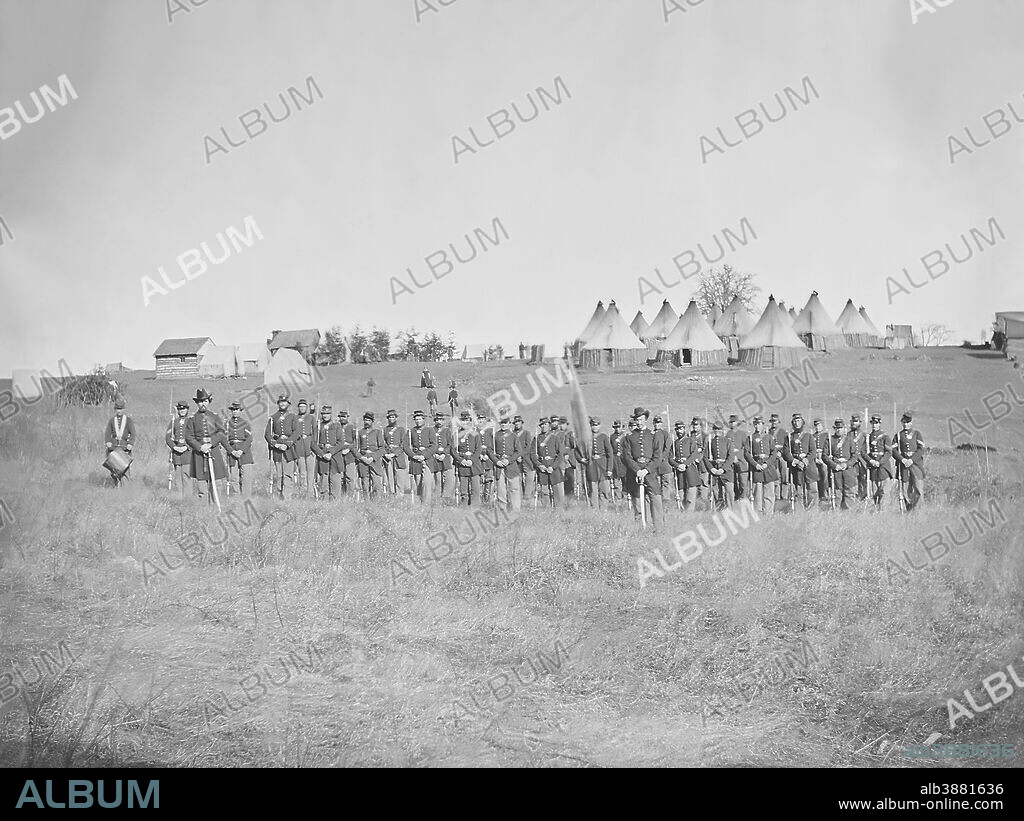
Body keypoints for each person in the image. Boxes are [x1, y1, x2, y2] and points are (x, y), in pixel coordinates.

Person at [622, 407, 663, 530]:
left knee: (656, 499)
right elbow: (627, 457)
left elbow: (657, 457)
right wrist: (637, 470)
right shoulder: (629, 437)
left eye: (641, 419)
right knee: (637, 501)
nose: (639, 422)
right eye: (637, 420)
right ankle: (640, 528)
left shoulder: (653, 435)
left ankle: (659, 529)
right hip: (635, 473)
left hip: (649, 472)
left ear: (645, 419)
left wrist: (646, 470)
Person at [185, 388, 227, 501]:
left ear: (209, 402)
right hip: (199, 455)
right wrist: (200, 447)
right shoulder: (192, 419)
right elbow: (188, 436)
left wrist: (211, 443)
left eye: (205, 401)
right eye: (200, 401)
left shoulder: (215, 416)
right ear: (197, 403)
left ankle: (216, 506)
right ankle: (204, 511)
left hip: (214, 452)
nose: (202, 404)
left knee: (217, 483)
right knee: (202, 485)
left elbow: (221, 432)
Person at [265, 394, 298, 500]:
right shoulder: (273, 418)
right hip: (277, 450)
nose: (283, 404)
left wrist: (287, 444)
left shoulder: (292, 416)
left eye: (285, 402)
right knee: (279, 475)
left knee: (288, 475)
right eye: (281, 402)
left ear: (288, 404)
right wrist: (276, 444)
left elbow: (296, 432)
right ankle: (279, 495)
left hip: (289, 449)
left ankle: (287, 497)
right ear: (278, 404)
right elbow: (267, 434)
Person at [578, 417, 613, 508]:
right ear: (590, 426)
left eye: (597, 425)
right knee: (593, 490)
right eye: (593, 425)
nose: (595, 427)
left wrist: (609, 469)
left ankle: (604, 510)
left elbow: (610, 453)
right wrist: (581, 459)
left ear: (600, 426)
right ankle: (594, 510)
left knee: (604, 489)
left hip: (603, 466)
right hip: (591, 466)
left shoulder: (603, 437)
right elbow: (577, 450)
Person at [825, 418, 860, 511]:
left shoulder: (850, 440)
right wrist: (834, 465)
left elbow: (855, 455)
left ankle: (849, 512)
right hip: (836, 470)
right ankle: (836, 512)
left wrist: (847, 464)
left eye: (840, 428)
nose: (838, 430)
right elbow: (825, 456)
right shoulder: (830, 440)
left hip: (848, 471)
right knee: (837, 492)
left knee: (850, 492)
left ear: (844, 428)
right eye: (837, 428)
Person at [745, 415, 777, 514]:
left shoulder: (769, 437)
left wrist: (767, 464)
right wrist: (755, 464)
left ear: (763, 424)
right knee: (757, 493)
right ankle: (758, 513)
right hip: (757, 467)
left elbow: (774, 452)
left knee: (769, 492)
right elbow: (747, 453)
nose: (757, 426)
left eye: (759, 424)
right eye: (755, 424)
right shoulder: (750, 438)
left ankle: (769, 513)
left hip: (768, 467)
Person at [893, 412, 925, 511]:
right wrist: (902, 459)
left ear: (911, 422)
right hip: (903, 466)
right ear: (902, 423)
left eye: (908, 422)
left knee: (918, 488)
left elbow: (921, 449)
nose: (906, 424)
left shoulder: (916, 434)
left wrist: (911, 460)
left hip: (915, 465)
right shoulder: (898, 436)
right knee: (905, 489)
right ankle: (907, 510)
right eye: (904, 422)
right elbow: (893, 450)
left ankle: (918, 512)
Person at [491, 416, 523, 511]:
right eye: (502, 423)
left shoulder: (513, 436)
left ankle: (516, 509)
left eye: (505, 423)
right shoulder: (495, 436)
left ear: (509, 423)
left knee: (514, 489)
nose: (503, 425)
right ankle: (502, 509)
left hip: (511, 466)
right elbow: (490, 450)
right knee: (501, 489)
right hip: (499, 466)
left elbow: (519, 451)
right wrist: (497, 461)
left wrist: (509, 460)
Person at [405, 410, 437, 505]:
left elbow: (434, 445)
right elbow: (405, 446)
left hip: (427, 459)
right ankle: (420, 502)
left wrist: (424, 456)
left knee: (427, 482)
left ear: (424, 419)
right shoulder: (411, 431)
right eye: (416, 419)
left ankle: (427, 502)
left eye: (420, 419)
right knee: (418, 482)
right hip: (415, 460)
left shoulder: (430, 430)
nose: (418, 421)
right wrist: (413, 456)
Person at [533, 417, 565, 508]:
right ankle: (546, 511)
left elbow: (560, 454)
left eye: (545, 424)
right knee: (544, 491)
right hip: (542, 468)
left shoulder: (555, 438)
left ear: (549, 425)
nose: (543, 426)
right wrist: (539, 465)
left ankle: (559, 511)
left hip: (553, 467)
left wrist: (553, 466)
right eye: (542, 425)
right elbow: (532, 453)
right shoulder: (537, 438)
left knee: (557, 491)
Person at [312, 404, 343, 500]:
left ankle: (335, 504)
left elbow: (341, 443)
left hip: (335, 457)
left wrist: (331, 453)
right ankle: (323, 503)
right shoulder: (318, 426)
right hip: (323, 458)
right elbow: (313, 443)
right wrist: (322, 454)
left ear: (331, 414)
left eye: (327, 413)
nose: (325, 415)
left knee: (335, 482)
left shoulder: (337, 426)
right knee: (323, 482)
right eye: (323, 414)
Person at [784, 413, 814, 509]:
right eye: (795, 421)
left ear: (802, 422)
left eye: (799, 421)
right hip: (796, 466)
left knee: (811, 489)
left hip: (808, 466)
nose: (797, 423)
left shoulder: (808, 436)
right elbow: (786, 452)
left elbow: (813, 451)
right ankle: (799, 510)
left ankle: (812, 509)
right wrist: (795, 461)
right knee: (798, 489)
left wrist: (805, 460)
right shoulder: (789, 437)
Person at [104, 397, 137, 486]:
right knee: (114, 471)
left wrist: (130, 444)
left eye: (121, 409)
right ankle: (116, 486)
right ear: (115, 409)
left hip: (124, 448)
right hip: (114, 448)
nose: (119, 411)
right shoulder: (112, 421)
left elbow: (133, 433)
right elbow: (107, 433)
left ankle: (126, 489)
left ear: (124, 409)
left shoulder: (128, 420)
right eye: (117, 409)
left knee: (125, 471)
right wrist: (108, 442)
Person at [224, 400, 254, 497]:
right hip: (232, 452)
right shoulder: (227, 424)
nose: (235, 411)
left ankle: (246, 497)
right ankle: (236, 497)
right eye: (233, 410)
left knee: (246, 476)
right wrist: (231, 451)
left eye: (237, 409)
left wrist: (241, 450)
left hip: (244, 452)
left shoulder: (245, 423)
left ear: (240, 410)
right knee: (234, 477)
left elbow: (249, 438)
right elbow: (224, 439)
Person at [866, 414, 895, 509]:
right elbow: (864, 452)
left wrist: (880, 462)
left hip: (883, 466)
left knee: (884, 490)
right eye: (873, 423)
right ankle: (876, 509)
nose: (874, 425)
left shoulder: (885, 437)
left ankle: (884, 511)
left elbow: (889, 452)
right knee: (875, 491)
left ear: (880, 424)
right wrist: (870, 461)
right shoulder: (868, 437)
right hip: (873, 466)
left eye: (876, 423)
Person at [454, 410, 483, 505]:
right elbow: (453, 450)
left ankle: (475, 506)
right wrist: (461, 460)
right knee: (463, 489)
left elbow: (478, 449)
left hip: (474, 464)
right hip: (462, 464)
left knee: (475, 488)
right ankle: (464, 507)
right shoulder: (456, 434)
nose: (465, 422)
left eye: (467, 420)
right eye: (463, 420)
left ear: (470, 421)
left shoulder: (475, 434)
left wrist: (471, 460)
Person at [706, 421, 733, 509]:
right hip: (714, 471)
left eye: (719, 429)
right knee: (717, 492)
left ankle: (731, 510)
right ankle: (720, 510)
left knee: (729, 492)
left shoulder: (727, 442)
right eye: (715, 429)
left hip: (726, 471)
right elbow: (705, 457)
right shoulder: (710, 442)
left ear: (722, 430)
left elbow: (731, 457)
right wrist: (711, 469)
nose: (717, 431)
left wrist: (723, 469)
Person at [682, 416, 708, 510]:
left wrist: (698, 458)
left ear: (701, 426)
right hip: (692, 463)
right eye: (694, 425)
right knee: (692, 484)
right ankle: (693, 504)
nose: (695, 427)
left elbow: (705, 450)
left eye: (697, 425)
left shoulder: (705, 436)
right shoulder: (690, 436)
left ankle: (705, 505)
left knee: (704, 484)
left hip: (702, 463)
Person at [357, 412, 385, 496]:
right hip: (363, 460)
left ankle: (376, 502)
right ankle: (366, 502)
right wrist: (361, 458)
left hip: (374, 460)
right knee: (365, 484)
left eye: (369, 420)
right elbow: (355, 448)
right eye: (365, 420)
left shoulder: (377, 432)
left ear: (372, 421)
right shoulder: (360, 432)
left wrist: (373, 457)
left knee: (376, 484)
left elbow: (381, 448)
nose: (367, 422)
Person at [166, 400, 191, 497]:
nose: (182, 411)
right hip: (176, 454)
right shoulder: (173, 422)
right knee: (177, 478)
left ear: (187, 409)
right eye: (180, 409)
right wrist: (174, 447)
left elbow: (194, 437)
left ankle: (188, 499)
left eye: (184, 409)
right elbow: (168, 437)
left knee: (186, 476)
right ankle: (179, 498)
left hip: (187, 453)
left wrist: (186, 447)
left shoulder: (190, 421)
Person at [382, 410, 409, 497]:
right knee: (389, 475)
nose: (391, 419)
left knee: (399, 475)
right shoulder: (385, 430)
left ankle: (400, 494)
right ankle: (392, 493)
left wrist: (394, 454)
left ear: (396, 418)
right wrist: (386, 454)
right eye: (389, 417)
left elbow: (403, 444)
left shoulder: (401, 429)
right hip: (388, 455)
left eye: (393, 417)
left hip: (398, 456)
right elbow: (383, 443)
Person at [292, 399, 315, 497]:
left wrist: (314, 446)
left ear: (306, 407)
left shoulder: (311, 418)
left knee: (311, 472)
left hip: (309, 446)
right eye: (300, 406)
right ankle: (303, 491)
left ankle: (310, 492)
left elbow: (315, 431)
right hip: (299, 447)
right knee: (302, 472)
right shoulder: (295, 418)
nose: (302, 408)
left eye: (304, 406)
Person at [432, 414, 456, 502]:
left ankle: (446, 497)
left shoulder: (447, 431)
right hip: (435, 457)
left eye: (441, 420)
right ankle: (437, 497)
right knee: (437, 478)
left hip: (445, 457)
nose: (439, 422)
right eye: (437, 420)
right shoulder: (431, 430)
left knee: (448, 477)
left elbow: (450, 444)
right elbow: (430, 444)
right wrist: (435, 453)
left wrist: (444, 453)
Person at [726, 415, 750, 504]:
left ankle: (743, 498)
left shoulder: (742, 433)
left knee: (743, 481)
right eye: (730, 422)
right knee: (733, 481)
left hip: (741, 461)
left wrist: (738, 456)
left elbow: (745, 447)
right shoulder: (728, 434)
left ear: (737, 423)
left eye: (734, 422)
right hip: (731, 461)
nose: (732, 423)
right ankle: (735, 499)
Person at [666, 420, 689, 510]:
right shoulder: (674, 443)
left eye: (681, 429)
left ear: (684, 429)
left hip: (689, 468)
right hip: (678, 470)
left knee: (689, 488)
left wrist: (685, 464)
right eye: (677, 429)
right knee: (680, 487)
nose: (679, 431)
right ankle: (682, 507)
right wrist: (676, 465)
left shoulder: (689, 441)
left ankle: (689, 507)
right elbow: (670, 458)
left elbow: (693, 454)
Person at [651, 415, 674, 507]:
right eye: (656, 423)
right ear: (653, 423)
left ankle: (666, 503)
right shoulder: (650, 434)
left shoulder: (665, 434)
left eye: (659, 423)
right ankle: (656, 503)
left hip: (664, 463)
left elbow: (667, 448)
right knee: (655, 483)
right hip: (654, 464)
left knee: (665, 483)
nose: (657, 424)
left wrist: (661, 458)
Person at [512, 415, 535, 503]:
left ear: (522, 423)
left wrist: (520, 455)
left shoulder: (526, 433)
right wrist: (516, 456)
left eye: (519, 422)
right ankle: (520, 497)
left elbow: (528, 446)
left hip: (526, 459)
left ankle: (528, 496)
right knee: (518, 478)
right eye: (515, 422)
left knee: (529, 476)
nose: (517, 424)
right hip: (515, 460)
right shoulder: (512, 434)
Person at [336, 410, 358, 495]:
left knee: (350, 477)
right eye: (341, 417)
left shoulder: (352, 427)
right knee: (341, 477)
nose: (343, 418)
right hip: (339, 454)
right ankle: (342, 495)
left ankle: (350, 496)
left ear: (347, 417)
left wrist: (349, 448)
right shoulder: (337, 427)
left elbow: (356, 442)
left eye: (344, 417)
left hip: (350, 455)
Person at [769, 413, 788, 504]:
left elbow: (786, 446)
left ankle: (784, 495)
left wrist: (781, 453)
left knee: (784, 474)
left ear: (778, 422)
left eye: (775, 421)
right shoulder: (768, 432)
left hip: (782, 456)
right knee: (776, 476)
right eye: (772, 421)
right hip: (773, 457)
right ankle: (776, 495)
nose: (774, 423)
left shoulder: (783, 433)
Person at [810, 418, 830, 504]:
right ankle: (818, 494)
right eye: (816, 426)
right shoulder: (812, 436)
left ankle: (825, 494)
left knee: (825, 475)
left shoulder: (826, 435)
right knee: (816, 476)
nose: (817, 427)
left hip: (823, 457)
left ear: (822, 426)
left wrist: (822, 458)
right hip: (815, 458)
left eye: (818, 425)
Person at [849, 414, 868, 501]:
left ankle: (863, 498)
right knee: (853, 481)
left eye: (856, 421)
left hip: (863, 461)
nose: (854, 423)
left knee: (863, 480)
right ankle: (854, 499)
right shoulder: (848, 435)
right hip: (853, 462)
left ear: (860, 422)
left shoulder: (864, 435)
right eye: (853, 421)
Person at [609, 419, 628, 503]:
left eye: (618, 427)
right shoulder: (612, 437)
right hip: (615, 460)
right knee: (616, 479)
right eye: (616, 427)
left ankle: (626, 496)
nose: (617, 429)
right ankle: (618, 498)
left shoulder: (625, 436)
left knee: (625, 479)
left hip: (623, 459)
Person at [477, 413, 495, 503]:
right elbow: (474, 446)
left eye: (482, 419)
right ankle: (480, 500)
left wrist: (488, 454)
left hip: (489, 459)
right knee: (480, 480)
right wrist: (479, 454)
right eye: (479, 419)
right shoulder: (474, 431)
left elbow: (493, 445)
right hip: (479, 460)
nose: (481, 420)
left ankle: (487, 501)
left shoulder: (491, 431)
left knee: (489, 480)